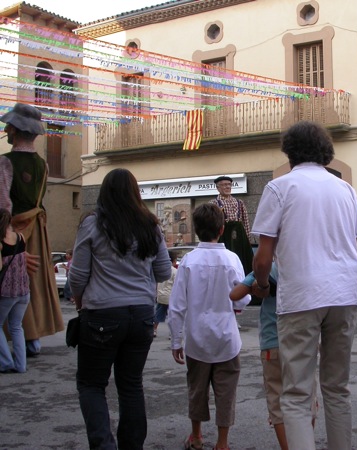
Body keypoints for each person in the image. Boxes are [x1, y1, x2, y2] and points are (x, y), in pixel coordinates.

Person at [252, 121, 357, 450]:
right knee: (337, 388)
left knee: (297, 393)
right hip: (346, 292)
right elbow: (352, 247)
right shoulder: (346, 189)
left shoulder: (280, 188)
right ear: (325, 151)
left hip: (302, 294)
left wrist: (261, 285)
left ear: (289, 151)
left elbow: (263, 258)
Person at [69, 168, 172, 450]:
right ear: (135, 192)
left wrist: (80, 301)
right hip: (141, 314)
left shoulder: (92, 224)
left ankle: (104, 445)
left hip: (101, 313)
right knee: (131, 384)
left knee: (92, 384)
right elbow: (163, 271)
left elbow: (77, 277)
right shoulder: (150, 225)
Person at [168, 203, 251, 450]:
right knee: (226, 393)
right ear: (222, 229)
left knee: (197, 389)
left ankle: (196, 437)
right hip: (227, 339)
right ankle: (222, 443)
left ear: (196, 230)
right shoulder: (232, 259)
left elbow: (177, 305)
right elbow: (244, 296)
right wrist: (235, 308)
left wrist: (176, 340)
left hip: (197, 339)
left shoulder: (188, 262)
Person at [230, 262, 319, 450]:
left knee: (278, 402)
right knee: (306, 398)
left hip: (272, 343)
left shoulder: (268, 268)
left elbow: (235, 294)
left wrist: (257, 286)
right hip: (302, 342)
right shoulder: (306, 265)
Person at [0, 102, 62, 356]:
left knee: (9, 282)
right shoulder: (43, 165)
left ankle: (18, 342)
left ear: (14, 130)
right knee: (32, 283)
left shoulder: (5, 163)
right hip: (37, 228)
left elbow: (3, 205)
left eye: (8, 126)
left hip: (13, 230)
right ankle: (32, 340)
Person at [0, 208, 30, 373]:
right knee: (17, 326)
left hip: (6, 292)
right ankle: (21, 365)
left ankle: (5, 362)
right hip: (24, 290)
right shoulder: (20, 237)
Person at [209, 175, 254, 275]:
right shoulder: (213, 203)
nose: (227, 187)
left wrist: (247, 240)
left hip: (239, 237)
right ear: (218, 187)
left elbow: (245, 221)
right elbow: (211, 224)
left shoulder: (239, 202)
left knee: (242, 261)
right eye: (224, 185)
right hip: (223, 236)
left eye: (229, 184)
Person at [153, 250, 177, 338]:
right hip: (171, 297)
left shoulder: (161, 270)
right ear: (174, 261)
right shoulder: (175, 271)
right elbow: (176, 284)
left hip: (160, 296)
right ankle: (172, 333)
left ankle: (154, 330)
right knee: (172, 316)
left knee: (158, 314)